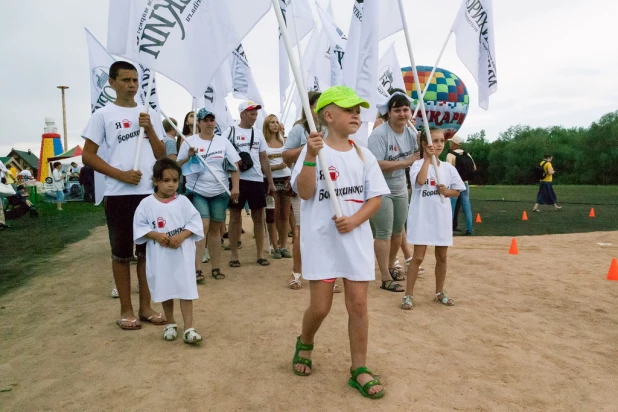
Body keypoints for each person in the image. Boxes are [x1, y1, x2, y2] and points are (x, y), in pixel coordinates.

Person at [291, 86, 389, 399]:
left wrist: (356, 220)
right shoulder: (315, 151)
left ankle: (359, 368)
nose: (356, 115)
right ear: (328, 116)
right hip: (321, 239)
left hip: (356, 238)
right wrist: (309, 156)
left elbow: (375, 198)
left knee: (358, 305)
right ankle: (305, 341)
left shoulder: (364, 154)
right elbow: (305, 193)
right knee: (320, 306)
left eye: (358, 110)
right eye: (349, 110)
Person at [82, 60, 167, 330]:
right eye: (125, 80)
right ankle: (126, 309)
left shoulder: (148, 112)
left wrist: (151, 128)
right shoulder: (103, 115)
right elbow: (88, 156)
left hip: (147, 194)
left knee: (146, 252)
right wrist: (120, 175)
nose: (131, 85)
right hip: (119, 194)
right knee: (121, 253)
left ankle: (145, 307)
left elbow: (161, 154)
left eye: (134, 80)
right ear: (112, 82)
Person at [133, 158, 204, 343]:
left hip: (182, 255)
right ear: (156, 180)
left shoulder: (184, 202)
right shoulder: (146, 204)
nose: (171, 184)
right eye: (166, 180)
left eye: (175, 180)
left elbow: (195, 223)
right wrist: (156, 235)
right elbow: (140, 227)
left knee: (185, 288)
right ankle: (170, 323)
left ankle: (189, 327)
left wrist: (182, 235)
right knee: (166, 288)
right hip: (160, 256)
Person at [283, 91, 342, 292]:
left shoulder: (331, 129)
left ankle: (327, 275)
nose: (322, 109)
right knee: (301, 231)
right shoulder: (299, 129)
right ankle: (297, 272)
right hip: (305, 185)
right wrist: (308, 148)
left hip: (330, 187)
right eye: (317, 105)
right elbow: (285, 155)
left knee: (329, 229)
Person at [401, 128, 466, 310]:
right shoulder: (417, 165)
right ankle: (408, 295)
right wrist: (428, 159)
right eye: (434, 141)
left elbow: (457, 191)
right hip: (422, 217)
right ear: (424, 144)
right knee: (418, 256)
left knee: (442, 256)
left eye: (441, 141)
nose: (438, 145)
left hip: (441, 217)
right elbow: (420, 182)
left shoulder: (448, 168)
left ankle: (439, 292)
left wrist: (447, 191)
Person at [177, 108, 241, 281]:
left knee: (215, 230)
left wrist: (235, 187)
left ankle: (216, 267)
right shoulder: (189, 142)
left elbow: (234, 167)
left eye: (212, 120)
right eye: (205, 120)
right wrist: (188, 156)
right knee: (202, 226)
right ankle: (197, 269)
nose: (209, 123)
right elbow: (177, 165)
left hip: (219, 191)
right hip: (197, 191)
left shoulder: (223, 142)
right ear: (199, 122)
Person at [368, 92, 418, 293]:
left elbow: (419, 158)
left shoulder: (412, 134)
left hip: (399, 188)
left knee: (398, 231)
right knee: (384, 232)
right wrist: (405, 162)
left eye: (405, 110)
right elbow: (375, 164)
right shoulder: (379, 135)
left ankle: (391, 265)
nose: (402, 114)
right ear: (388, 113)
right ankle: (385, 277)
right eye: (397, 110)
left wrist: (425, 145)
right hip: (379, 188)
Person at [224, 101, 276, 268]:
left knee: (258, 217)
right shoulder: (229, 132)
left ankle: (260, 254)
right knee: (235, 216)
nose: (254, 117)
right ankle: (233, 255)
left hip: (255, 179)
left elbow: (264, 159)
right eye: (251, 113)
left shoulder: (258, 134)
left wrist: (270, 181)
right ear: (242, 114)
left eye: (255, 114)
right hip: (236, 179)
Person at [263, 114, 292, 259]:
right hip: (271, 179)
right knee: (272, 214)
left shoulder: (283, 141)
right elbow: (262, 165)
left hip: (286, 177)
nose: (275, 125)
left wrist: (287, 164)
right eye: (272, 122)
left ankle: (283, 245)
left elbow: (289, 157)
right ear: (267, 125)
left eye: (276, 122)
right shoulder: (263, 142)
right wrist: (276, 167)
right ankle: (274, 246)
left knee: (284, 214)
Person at [446, 135, 476, 235]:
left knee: (451, 207)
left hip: (454, 184)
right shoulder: (467, 154)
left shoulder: (450, 155)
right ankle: (469, 229)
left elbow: (448, 170)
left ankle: (448, 229)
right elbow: (474, 168)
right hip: (465, 183)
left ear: (454, 144)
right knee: (467, 206)